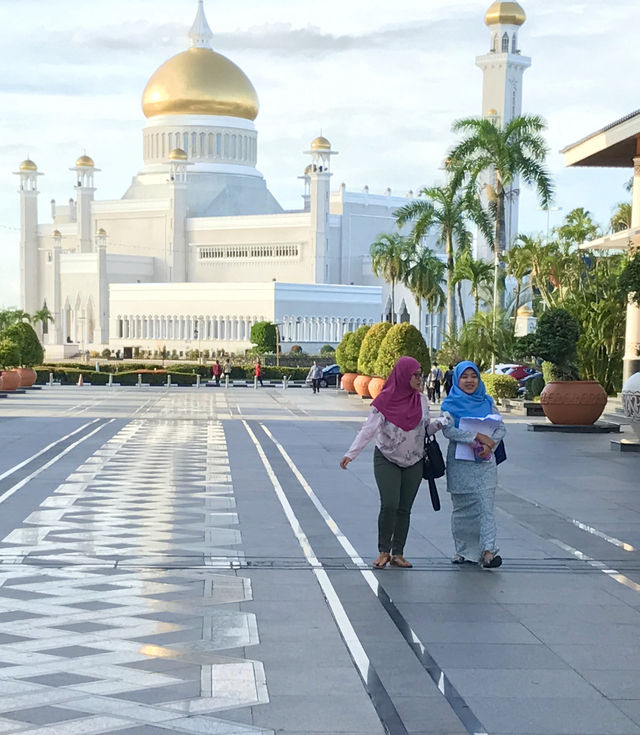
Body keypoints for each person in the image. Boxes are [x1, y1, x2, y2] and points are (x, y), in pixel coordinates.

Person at [339, 357, 442, 569]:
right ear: (403, 375)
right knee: (390, 504)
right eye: (414, 374)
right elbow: (368, 429)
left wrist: (439, 424)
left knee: (405, 507)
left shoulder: (421, 401)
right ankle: (383, 551)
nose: (419, 378)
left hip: (414, 460)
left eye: (420, 374)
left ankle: (398, 553)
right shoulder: (384, 401)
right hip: (387, 458)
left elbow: (424, 429)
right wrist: (352, 453)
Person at [440, 361, 507, 569]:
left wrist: (490, 445)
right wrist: (475, 436)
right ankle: (463, 551)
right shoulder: (449, 405)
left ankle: (488, 551)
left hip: (485, 462)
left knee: (486, 508)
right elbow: (448, 431)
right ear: (457, 379)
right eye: (464, 377)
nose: (469, 381)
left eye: (474, 376)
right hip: (460, 463)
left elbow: (500, 427)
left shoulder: (487, 402)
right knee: (462, 509)